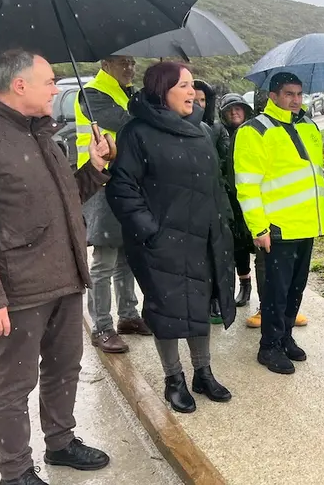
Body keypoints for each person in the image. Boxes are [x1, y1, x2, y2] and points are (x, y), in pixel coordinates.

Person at [0, 49, 112, 485]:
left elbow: (66, 198)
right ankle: (15, 472)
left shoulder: (42, 134)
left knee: (64, 368)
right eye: (48, 82)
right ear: (19, 85)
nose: (55, 89)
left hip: (65, 277)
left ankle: (60, 442)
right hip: (19, 289)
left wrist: (94, 167)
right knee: (12, 386)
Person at [106, 62, 235, 413]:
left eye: (193, 85)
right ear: (162, 90)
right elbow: (122, 188)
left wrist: (223, 225)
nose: (193, 92)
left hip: (203, 237)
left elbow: (215, 185)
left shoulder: (203, 132)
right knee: (168, 310)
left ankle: (203, 372)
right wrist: (150, 231)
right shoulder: (137, 132)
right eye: (184, 85)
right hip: (161, 242)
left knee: (199, 305)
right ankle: (174, 379)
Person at [233, 72, 324, 375]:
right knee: (275, 292)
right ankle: (269, 347)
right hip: (277, 228)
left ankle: (285, 337)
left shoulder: (308, 126)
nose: (296, 100)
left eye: (299, 94)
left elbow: (310, 171)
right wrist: (258, 228)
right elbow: (247, 185)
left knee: (295, 289)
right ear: (273, 96)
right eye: (288, 94)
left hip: (306, 225)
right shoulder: (255, 130)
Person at [75, 55, 151, 354]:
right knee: (105, 260)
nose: (130, 68)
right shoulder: (91, 93)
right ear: (106, 64)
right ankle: (102, 326)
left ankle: (129, 317)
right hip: (100, 184)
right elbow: (126, 123)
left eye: (132, 63)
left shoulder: (125, 91)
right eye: (123, 63)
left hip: (127, 183)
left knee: (127, 256)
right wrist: (150, 112)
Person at [217, 93, 309, 327]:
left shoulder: (260, 130)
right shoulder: (236, 134)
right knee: (256, 260)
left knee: (271, 263)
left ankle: (282, 308)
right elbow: (235, 176)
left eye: (239, 108)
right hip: (243, 209)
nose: (235, 113)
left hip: (270, 210)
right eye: (230, 110)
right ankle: (263, 306)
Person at [193, 79, 228, 325]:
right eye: (194, 100)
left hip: (215, 199)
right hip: (191, 202)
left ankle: (216, 298)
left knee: (217, 254)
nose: (198, 104)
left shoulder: (215, 128)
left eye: (203, 100)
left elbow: (225, 159)